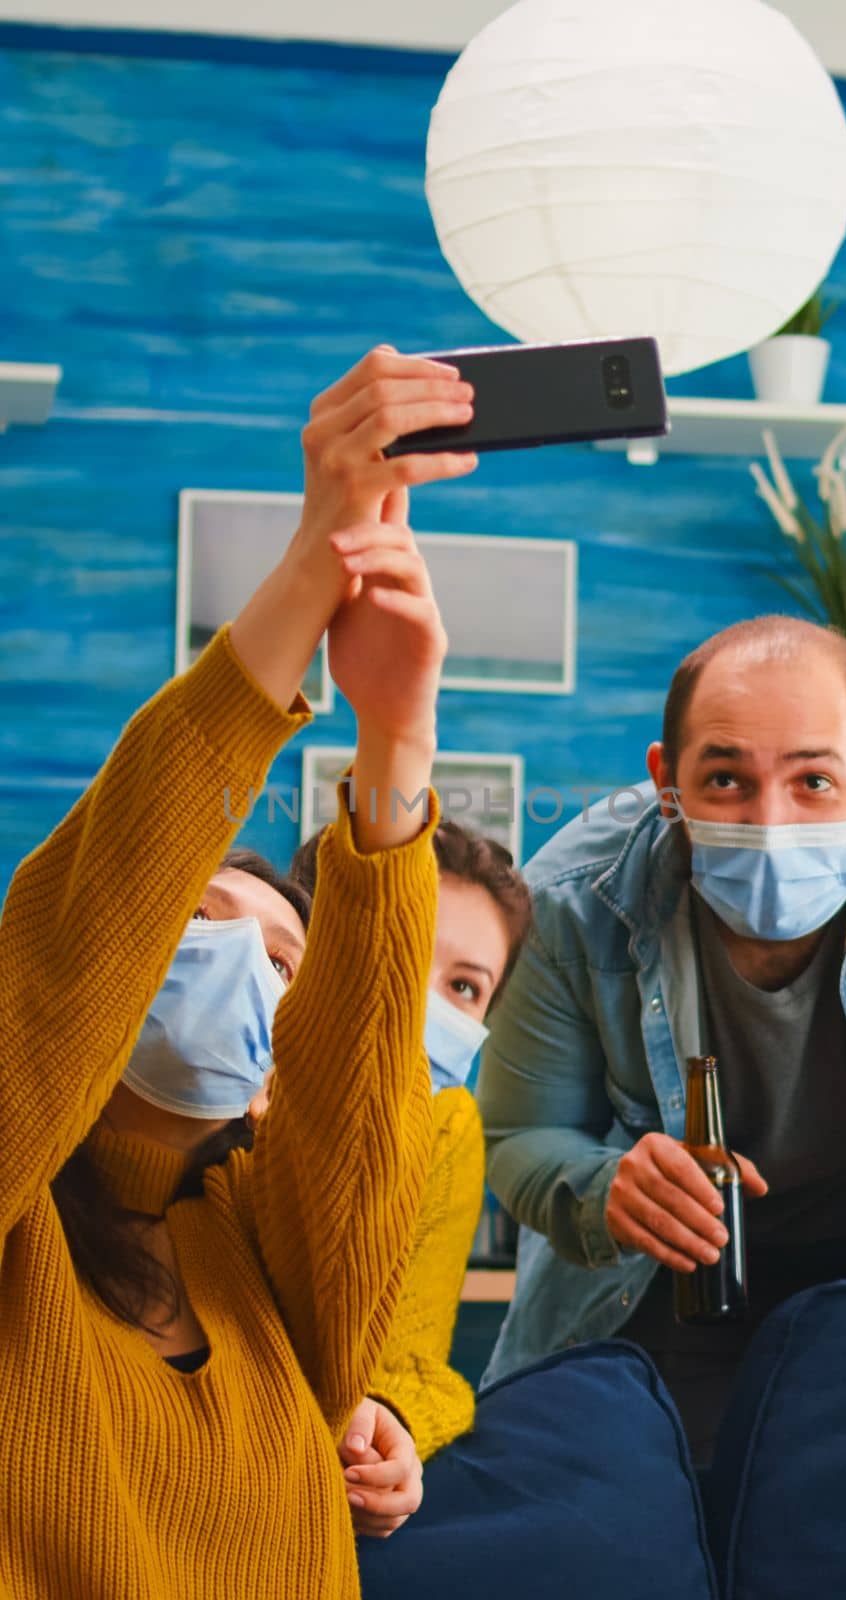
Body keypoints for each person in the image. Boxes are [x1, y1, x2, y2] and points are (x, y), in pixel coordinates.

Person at [0, 346, 481, 1598]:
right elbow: (70, 931)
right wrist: (312, 565)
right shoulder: (18, 1233)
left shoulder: (281, 1266)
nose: (242, 971)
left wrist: (396, 749)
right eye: (198, 919)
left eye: (283, 960)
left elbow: (366, 1111)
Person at [477, 614, 846, 1464]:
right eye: (726, 780)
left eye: (813, 781)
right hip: (663, 1299)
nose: (771, 824)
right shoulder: (570, 900)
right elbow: (518, 1136)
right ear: (667, 783)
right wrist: (606, 1189)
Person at [288, 820, 532, 1462]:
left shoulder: (446, 1127)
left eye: (464, 987)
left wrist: (389, 1429)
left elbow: (410, 1365)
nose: (416, 999)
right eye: (403, 943)